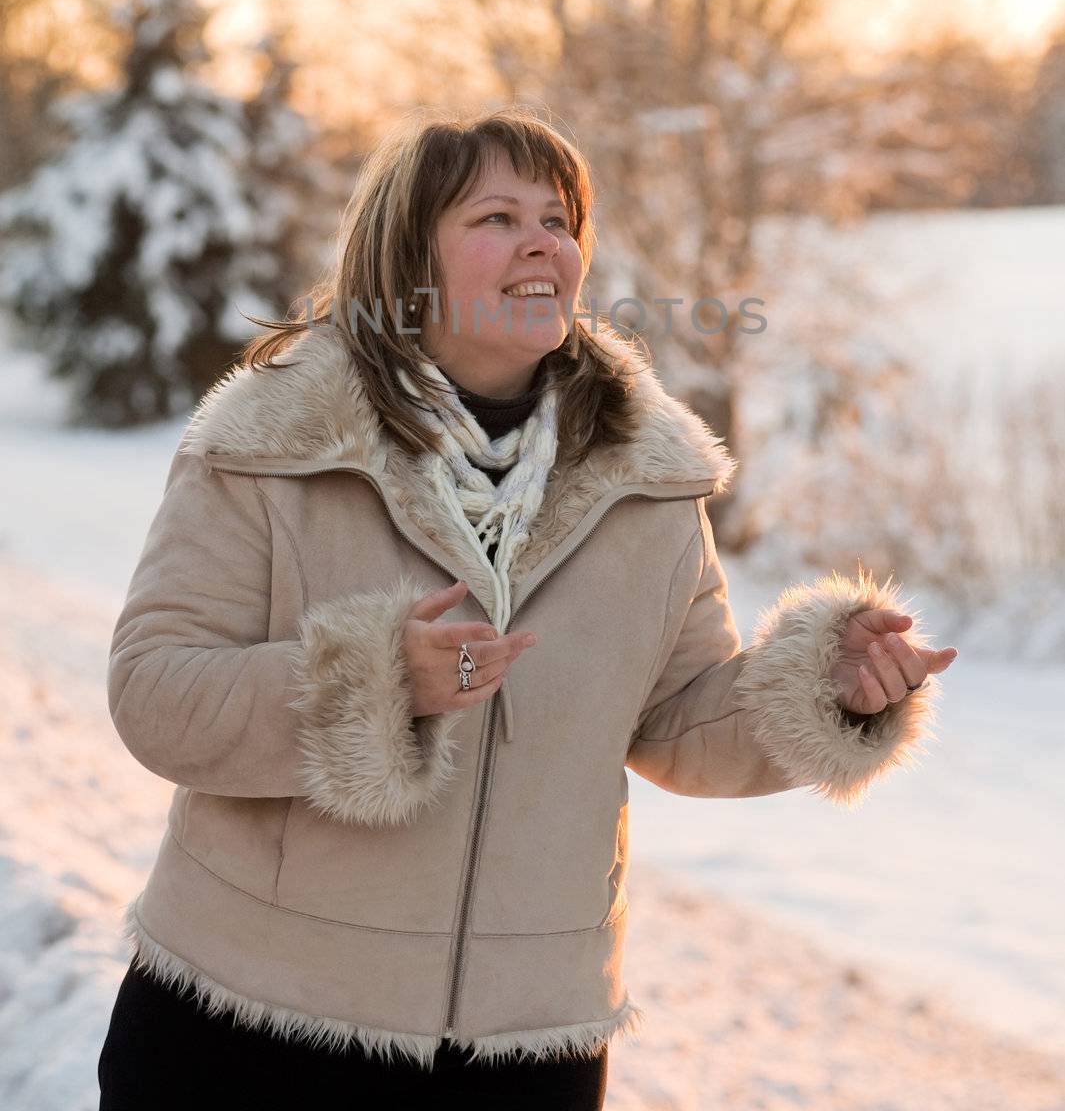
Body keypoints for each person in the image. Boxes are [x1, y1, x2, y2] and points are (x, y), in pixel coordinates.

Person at [97, 108, 958, 1108]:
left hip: (526, 1050)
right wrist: (372, 682)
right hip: (254, 1024)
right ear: (405, 257)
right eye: (497, 217)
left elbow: (682, 722)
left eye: (559, 217)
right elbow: (156, 694)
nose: (545, 240)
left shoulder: (646, 476)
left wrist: (829, 686)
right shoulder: (272, 442)